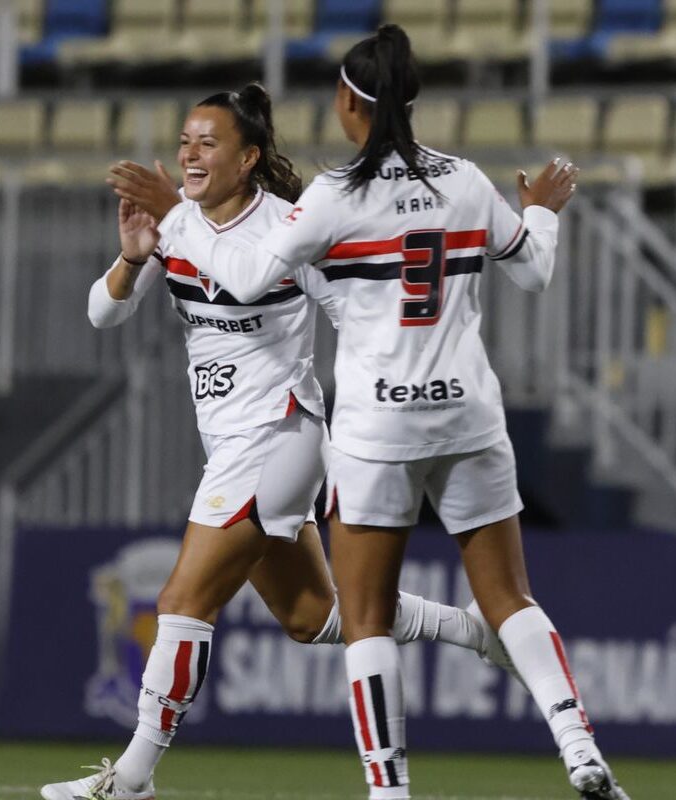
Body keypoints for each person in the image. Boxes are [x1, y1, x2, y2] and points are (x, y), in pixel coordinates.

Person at [109, 25, 630, 800]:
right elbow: (536, 272)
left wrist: (176, 219)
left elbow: (247, 277)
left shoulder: (334, 194)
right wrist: (542, 211)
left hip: (377, 426)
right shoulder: (462, 180)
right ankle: (580, 748)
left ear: (351, 103)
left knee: (365, 617)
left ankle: (388, 791)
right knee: (510, 596)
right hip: (468, 415)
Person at [42, 83, 502, 800]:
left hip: (281, 432)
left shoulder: (290, 228)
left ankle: (131, 777)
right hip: (228, 443)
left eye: (209, 143)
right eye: (186, 141)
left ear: (248, 156)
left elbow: (353, 311)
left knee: (182, 597)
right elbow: (103, 314)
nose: (191, 155)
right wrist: (133, 257)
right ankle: (475, 630)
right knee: (311, 617)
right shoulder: (177, 225)